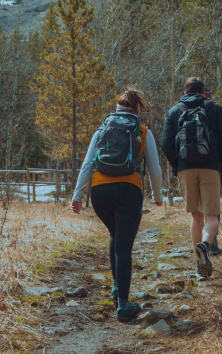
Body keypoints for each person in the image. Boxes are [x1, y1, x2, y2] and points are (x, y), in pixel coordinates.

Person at [71, 88, 163, 323]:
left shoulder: (102, 129)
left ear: (117, 109)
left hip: (99, 192)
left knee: (116, 235)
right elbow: (154, 168)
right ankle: (123, 307)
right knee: (123, 247)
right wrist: (158, 195)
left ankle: (115, 286)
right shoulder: (142, 131)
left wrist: (77, 196)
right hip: (128, 192)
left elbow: (86, 164)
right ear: (137, 110)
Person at [161, 77, 222, 278]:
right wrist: (219, 160)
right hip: (211, 168)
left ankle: (199, 264)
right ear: (204, 92)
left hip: (185, 169)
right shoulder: (215, 109)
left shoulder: (174, 111)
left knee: (196, 216)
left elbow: (166, 144)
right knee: (212, 216)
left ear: (185, 92)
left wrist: (176, 166)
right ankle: (206, 245)